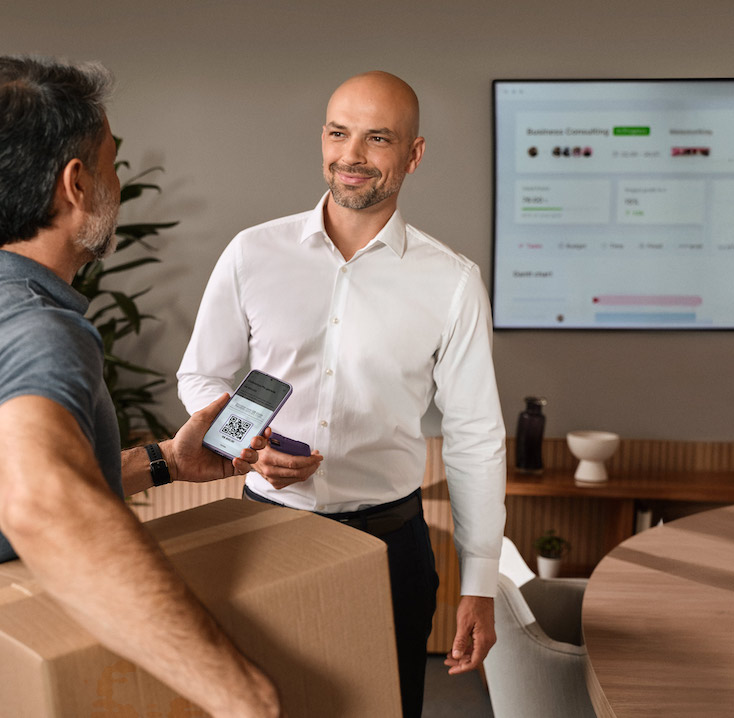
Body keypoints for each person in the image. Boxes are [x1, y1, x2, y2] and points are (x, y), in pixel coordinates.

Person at [0, 56, 280, 718]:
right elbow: (41, 501)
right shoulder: (35, 330)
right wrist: (243, 698)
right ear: (77, 184)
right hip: (18, 698)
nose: (116, 185)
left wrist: (165, 461)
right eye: (111, 165)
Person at [177, 70, 506, 717]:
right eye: (338, 133)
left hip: (388, 549)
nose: (351, 155)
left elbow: (475, 436)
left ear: (413, 154)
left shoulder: (452, 281)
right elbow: (201, 376)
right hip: (261, 536)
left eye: (377, 138)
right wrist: (247, 444)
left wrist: (481, 583)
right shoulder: (253, 252)